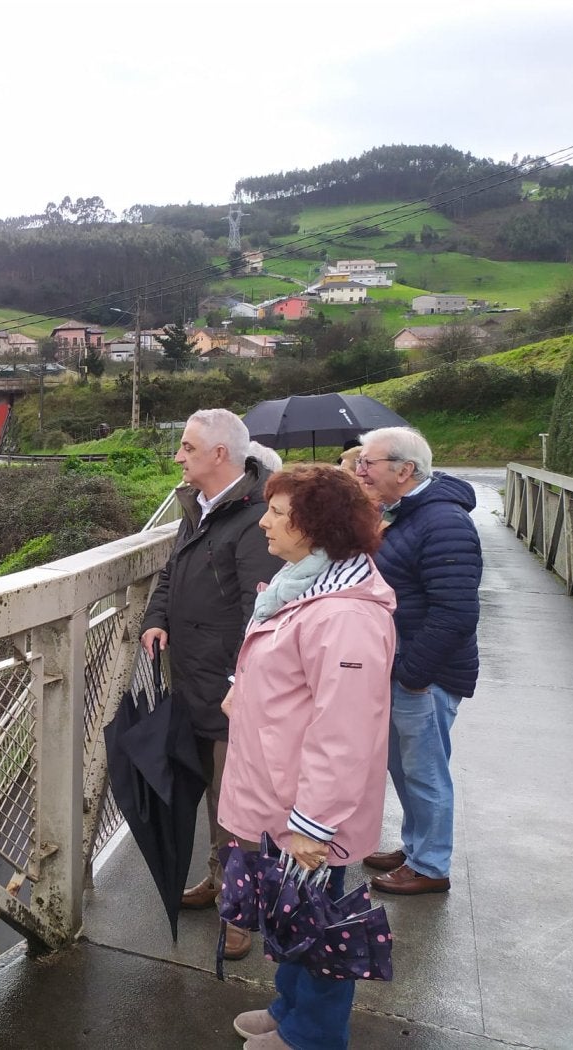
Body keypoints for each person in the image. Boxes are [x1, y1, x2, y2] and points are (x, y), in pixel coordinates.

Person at [219, 465, 397, 1050]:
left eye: (276, 511)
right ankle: (288, 1010)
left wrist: (313, 825)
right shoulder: (303, 584)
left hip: (310, 804)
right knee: (293, 912)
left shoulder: (345, 614)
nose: (264, 520)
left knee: (321, 928)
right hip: (284, 787)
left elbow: (345, 731)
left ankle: (313, 1036)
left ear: (316, 525)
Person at [140, 408, 282, 960]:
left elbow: (261, 610)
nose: (179, 456)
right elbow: (173, 573)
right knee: (212, 797)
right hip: (192, 680)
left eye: (187, 447)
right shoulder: (197, 509)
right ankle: (221, 881)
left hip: (228, 687)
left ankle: (242, 912)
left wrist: (239, 680)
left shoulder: (256, 517)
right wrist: (156, 617)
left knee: (237, 804)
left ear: (220, 454)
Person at [355, 426, 482, 895]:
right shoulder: (407, 514)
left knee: (425, 771)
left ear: (404, 471)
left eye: (368, 463)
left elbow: (457, 613)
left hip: (424, 675)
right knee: (406, 767)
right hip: (408, 669)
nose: (359, 470)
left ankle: (430, 865)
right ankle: (416, 847)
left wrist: (411, 676)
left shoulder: (443, 521)